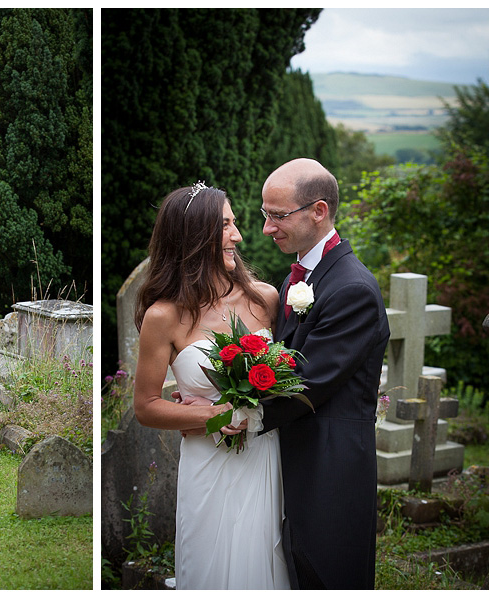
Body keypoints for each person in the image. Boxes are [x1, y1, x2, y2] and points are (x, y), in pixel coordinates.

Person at [133, 183, 288, 590]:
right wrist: (209, 415)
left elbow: (292, 379)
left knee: (263, 562)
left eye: (235, 223)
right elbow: (146, 405)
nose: (237, 235)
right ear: (192, 236)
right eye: (224, 226)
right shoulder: (163, 316)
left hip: (264, 458)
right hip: (208, 462)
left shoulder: (266, 300)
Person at [258, 158, 390, 589]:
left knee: (329, 577)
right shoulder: (299, 278)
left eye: (278, 216)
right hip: (293, 460)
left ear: (319, 211)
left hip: (330, 471)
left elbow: (303, 383)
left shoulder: (352, 289)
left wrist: (226, 410)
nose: (267, 228)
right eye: (265, 215)